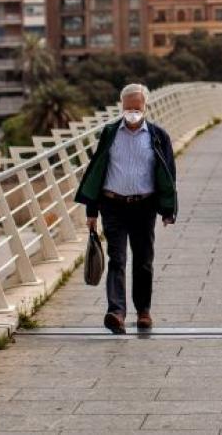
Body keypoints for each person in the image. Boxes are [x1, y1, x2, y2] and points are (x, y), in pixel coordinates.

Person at [73, 83, 178, 333]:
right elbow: (97, 171)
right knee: (117, 258)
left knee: (143, 261)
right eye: (128, 107)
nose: (132, 112)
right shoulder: (110, 133)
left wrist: (168, 209)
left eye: (137, 107)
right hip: (113, 205)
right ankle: (116, 312)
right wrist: (91, 211)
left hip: (144, 206)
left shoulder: (158, 136)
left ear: (145, 107)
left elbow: (168, 174)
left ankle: (143, 311)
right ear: (121, 106)